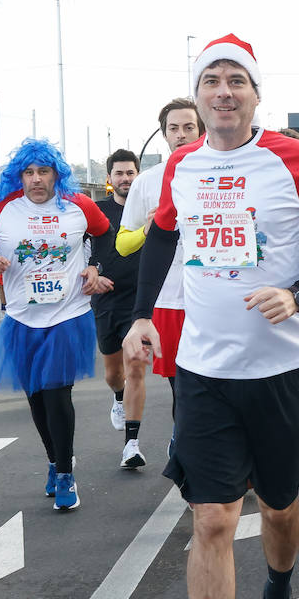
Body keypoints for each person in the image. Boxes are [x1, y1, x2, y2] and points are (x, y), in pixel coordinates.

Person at [123, 34, 299, 599]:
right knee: (214, 518)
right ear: (198, 96)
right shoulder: (183, 166)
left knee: (280, 508)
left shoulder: (290, 158)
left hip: (286, 373)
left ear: (255, 95)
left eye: (237, 81)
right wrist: (143, 314)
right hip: (206, 372)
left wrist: (298, 291)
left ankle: (279, 594)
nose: (223, 91)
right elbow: (164, 233)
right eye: (212, 81)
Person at [0, 138, 111, 511]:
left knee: (57, 394)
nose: (35, 180)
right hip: (21, 317)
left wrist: (96, 266)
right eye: (28, 173)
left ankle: (65, 473)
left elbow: (106, 235)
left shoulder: (78, 205)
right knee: (36, 397)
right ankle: (54, 459)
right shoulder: (3, 210)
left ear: (56, 174)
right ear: (19, 177)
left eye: (43, 171)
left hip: (67, 314)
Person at [117, 99, 205, 415]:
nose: (181, 134)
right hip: (169, 299)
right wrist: (148, 230)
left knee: (212, 384)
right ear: (164, 134)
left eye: (188, 127)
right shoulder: (146, 182)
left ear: (201, 129)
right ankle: (182, 442)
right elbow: (122, 245)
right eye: (173, 128)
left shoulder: (224, 170)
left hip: (214, 295)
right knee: (179, 386)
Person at [90, 148, 149, 469]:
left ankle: (132, 444)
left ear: (138, 176)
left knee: (137, 366)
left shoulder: (150, 211)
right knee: (115, 375)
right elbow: (82, 254)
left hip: (140, 303)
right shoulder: (97, 213)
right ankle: (117, 397)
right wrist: (92, 273)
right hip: (106, 302)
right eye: (120, 174)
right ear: (109, 180)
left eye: (130, 173)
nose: (126, 179)